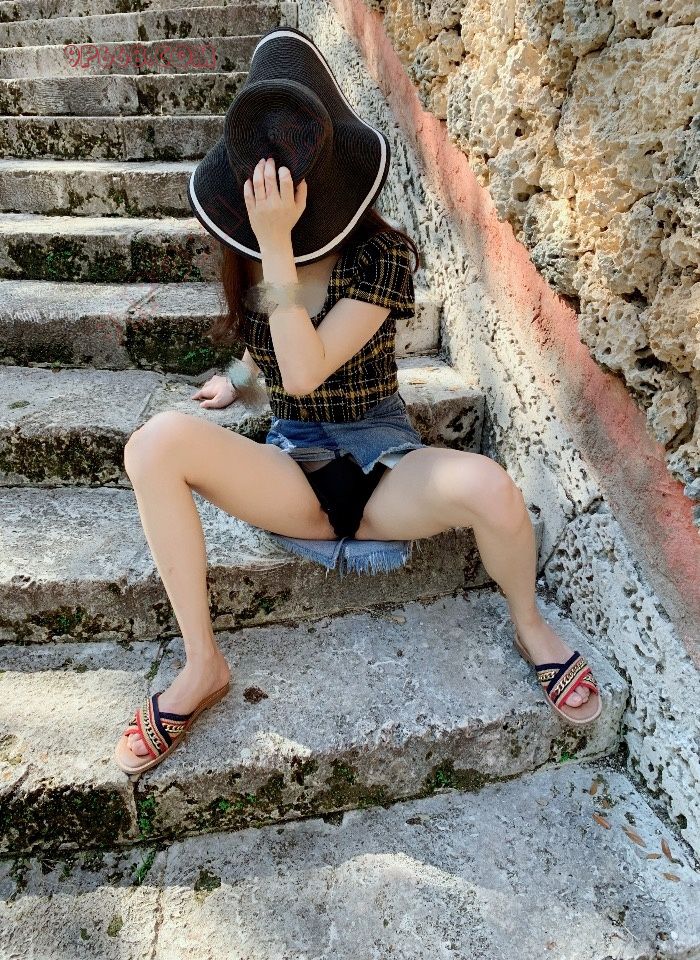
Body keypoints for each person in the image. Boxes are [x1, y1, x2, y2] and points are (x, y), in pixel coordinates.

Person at [113, 27, 602, 777]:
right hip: (296, 467)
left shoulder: (382, 255)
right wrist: (237, 379)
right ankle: (201, 664)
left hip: (382, 460)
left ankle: (530, 626)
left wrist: (276, 245)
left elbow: (307, 368)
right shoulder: (255, 256)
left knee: (492, 489)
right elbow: (271, 350)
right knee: (153, 443)